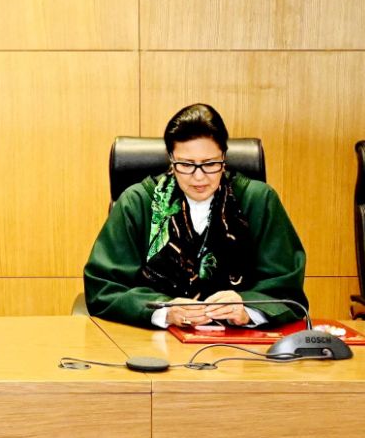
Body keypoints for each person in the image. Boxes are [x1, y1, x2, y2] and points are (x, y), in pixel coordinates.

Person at [83, 103, 307, 328]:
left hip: (240, 341)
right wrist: (164, 311)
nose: (199, 177)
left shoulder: (258, 201)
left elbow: (286, 289)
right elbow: (104, 288)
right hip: (152, 340)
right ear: (171, 160)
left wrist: (247, 308)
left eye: (210, 164)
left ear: (224, 158)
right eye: (186, 164)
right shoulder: (138, 202)